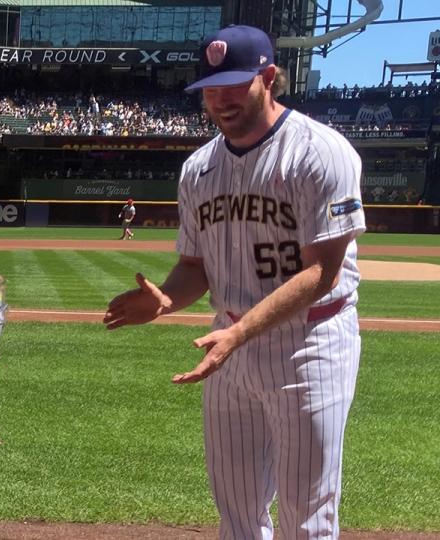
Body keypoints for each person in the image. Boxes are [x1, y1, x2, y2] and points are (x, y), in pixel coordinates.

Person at [103, 25, 365, 539]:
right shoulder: (198, 169)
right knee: (237, 509)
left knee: (306, 513)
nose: (219, 99)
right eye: (209, 89)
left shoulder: (319, 152)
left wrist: (240, 334)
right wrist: (164, 301)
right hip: (227, 346)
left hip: (309, 344)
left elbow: (321, 271)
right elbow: (195, 269)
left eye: (233, 85)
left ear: (269, 78)